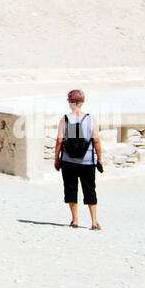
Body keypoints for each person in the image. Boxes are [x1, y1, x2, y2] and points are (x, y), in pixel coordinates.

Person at [54, 89, 102, 230]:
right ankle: (94, 221)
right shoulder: (90, 118)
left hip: (69, 160)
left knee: (71, 188)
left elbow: (59, 140)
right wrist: (99, 158)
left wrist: (56, 158)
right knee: (90, 189)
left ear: (70, 102)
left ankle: (74, 220)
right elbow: (96, 141)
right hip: (87, 160)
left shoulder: (65, 119)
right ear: (82, 102)